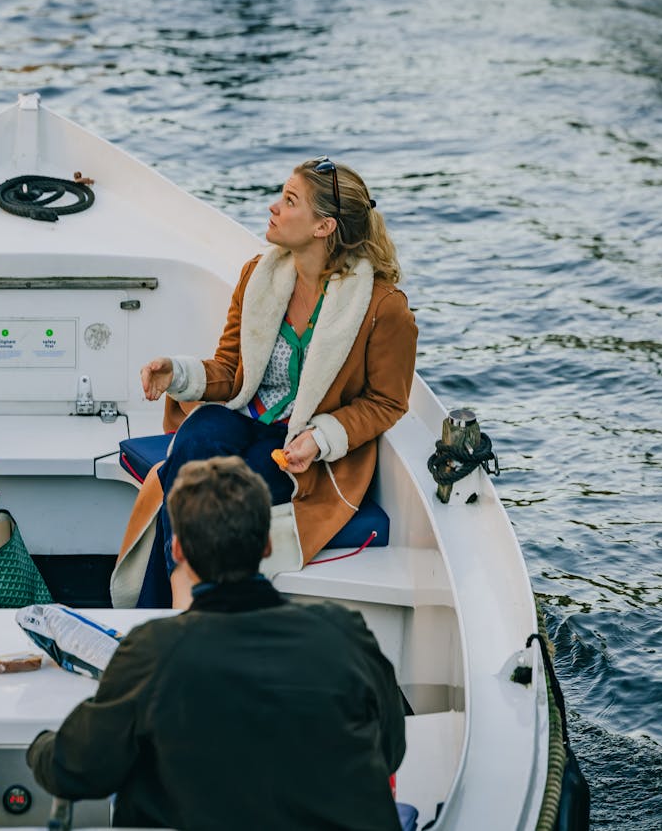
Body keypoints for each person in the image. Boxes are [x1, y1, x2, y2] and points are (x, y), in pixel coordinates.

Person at [28, 456, 409, 830]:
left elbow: (74, 770)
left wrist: (40, 746)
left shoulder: (154, 651)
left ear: (176, 549)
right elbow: (391, 749)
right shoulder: (345, 631)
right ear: (266, 546)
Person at [121, 157, 418, 607]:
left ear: (323, 227)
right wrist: (177, 374)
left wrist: (320, 438)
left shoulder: (384, 307)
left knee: (232, 491)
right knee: (194, 441)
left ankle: (180, 614)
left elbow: (386, 402)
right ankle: (177, 608)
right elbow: (229, 369)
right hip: (250, 414)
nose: (273, 207)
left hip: (304, 441)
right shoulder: (257, 277)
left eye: (289, 200)